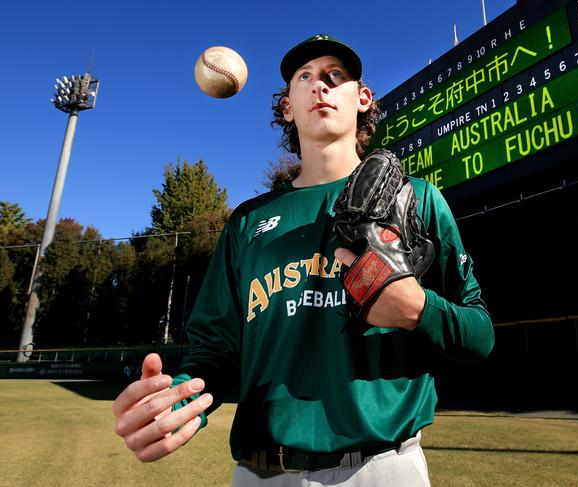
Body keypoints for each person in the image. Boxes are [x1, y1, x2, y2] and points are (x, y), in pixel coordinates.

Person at [112, 34, 494, 486]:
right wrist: (177, 402)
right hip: (263, 472)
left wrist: (420, 310)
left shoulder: (417, 199)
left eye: (336, 76)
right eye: (305, 77)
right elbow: (213, 351)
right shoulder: (248, 221)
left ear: (363, 98)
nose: (321, 86)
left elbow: (480, 333)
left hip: (384, 467)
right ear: (288, 107)